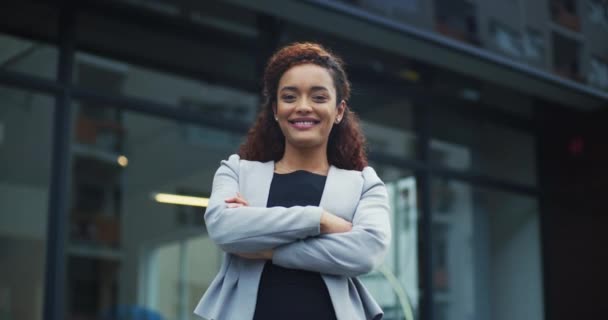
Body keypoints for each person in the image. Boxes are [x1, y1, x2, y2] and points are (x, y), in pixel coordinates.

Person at [193, 42, 391, 320]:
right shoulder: (238, 172)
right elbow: (223, 228)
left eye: (319, 98)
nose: (303, 107)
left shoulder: (363, 184)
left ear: (339, 111)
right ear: (275, 109)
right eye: (289, 97)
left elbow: (365, 252)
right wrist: (319, 220)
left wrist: (269, 250)